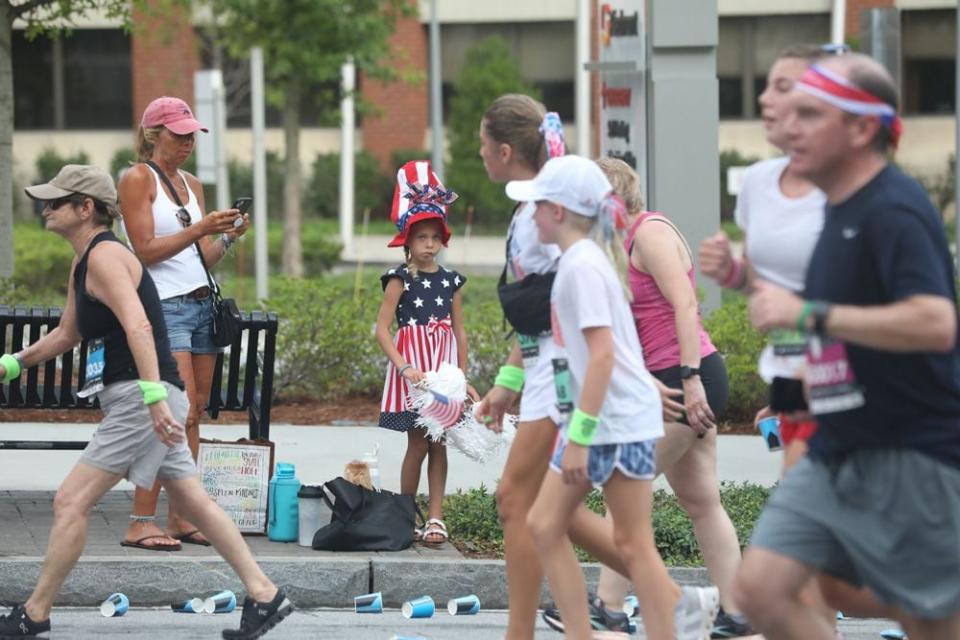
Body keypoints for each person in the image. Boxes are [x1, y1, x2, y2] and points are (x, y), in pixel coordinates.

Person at [0, 165, 292, 639]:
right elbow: (67, 333)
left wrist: (155, 400)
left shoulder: (107, 257)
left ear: (85, 208)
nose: (46, 209)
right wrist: (10, 364)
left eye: (56, 201)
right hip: (149, 397)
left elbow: (138, 326)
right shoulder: (85, 262)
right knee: (194, 501)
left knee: (70, 500)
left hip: (142, 397)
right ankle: (265, 593)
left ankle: (34, 613)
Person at [733, 54, 960, 640]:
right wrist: (795, 391)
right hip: (836, 446)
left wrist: (809, 312)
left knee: (931, 619)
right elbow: (842, 339)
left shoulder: (895, 208)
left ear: (861, 128)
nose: (790, 123)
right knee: (763, 588)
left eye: (810, 113)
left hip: (911, 450)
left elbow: (935, 323)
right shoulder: (837, 209)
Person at [506, 155, 720, 640]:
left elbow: (602, 357)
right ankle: (600, 629)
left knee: (623, 540)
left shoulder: (582, 266)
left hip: (611, 423)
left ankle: (659, 622)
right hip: (608, 419)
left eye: (537, 205)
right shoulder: (583, 261)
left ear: (558, 211)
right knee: (549, 524)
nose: (530, 216)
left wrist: (577, 436)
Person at [117, 96, 249, 550]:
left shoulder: (192, 183)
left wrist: (226, 237)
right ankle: (139, 519)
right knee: (174, 411)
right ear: (154, 135)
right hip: (163, 307)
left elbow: (200, 260)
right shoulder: (137, 179)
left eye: (192, 133)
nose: (188, 141)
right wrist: (200, 228)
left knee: (193, 414)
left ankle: (180, 517)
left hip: (199, 306)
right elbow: (145, 250)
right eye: (179, 133)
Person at [699, 44, 830, 470]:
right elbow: (765, 284)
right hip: (790, 380)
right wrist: (733, 273)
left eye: (783, 87)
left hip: (849, 391)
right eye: (767, 86)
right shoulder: (758, 183)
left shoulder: (851, 186)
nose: (763, 99)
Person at [375, 160, 477, 545]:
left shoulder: (451, 281)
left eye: (435, 237)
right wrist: (404, 368)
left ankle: (436, 517)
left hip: (444, 371)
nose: (429, 245)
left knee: (440, 441)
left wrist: (462, 379)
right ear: (408, 240)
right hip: (415, 372)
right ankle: (404, 515)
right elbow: (382, 330)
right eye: (422, 238)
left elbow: (460, 332)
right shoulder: (399, 279)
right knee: (417, 441)